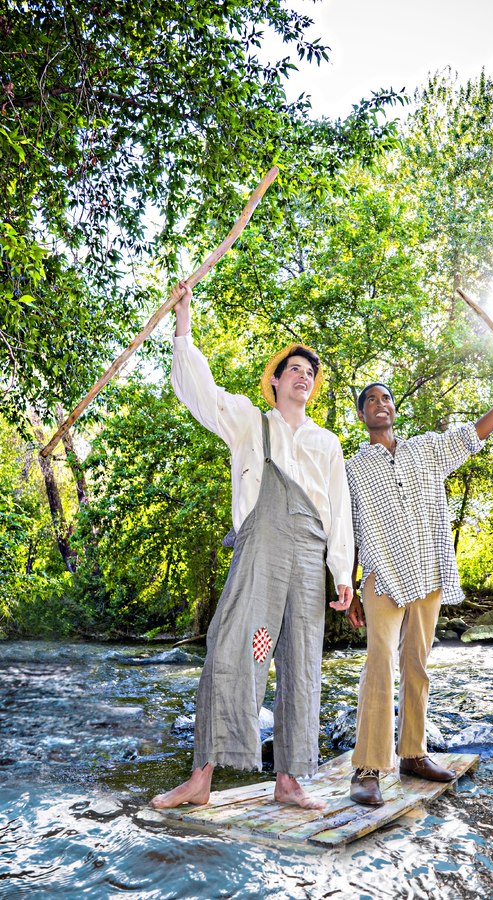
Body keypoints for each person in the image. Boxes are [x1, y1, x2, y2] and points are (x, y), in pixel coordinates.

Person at [150, 282, 354, 812]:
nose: (303, 376)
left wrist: (343, 573)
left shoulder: (327, 443)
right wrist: (184, 320)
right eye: (294, 370)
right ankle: (202, 779)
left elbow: (338, 510)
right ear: (275, 381)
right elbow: (201, 392)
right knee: (236, 647)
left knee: (301, 661)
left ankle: (289, 782)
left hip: (310, 559)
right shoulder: (248, 421)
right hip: (259, 550)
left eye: (310, 373)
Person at [346, 367, 493, 806]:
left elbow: (476, 433)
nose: (380, 403)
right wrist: (351, 583)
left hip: (427, 569)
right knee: (379, 662)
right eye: (370, 400)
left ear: (394, 409)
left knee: (418, 661)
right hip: (380, 572)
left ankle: (413, 753)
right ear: (361, 416)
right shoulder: (352, 469)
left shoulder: (427, 450)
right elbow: (349, 528)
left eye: (385, 398)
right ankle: (368, 766)